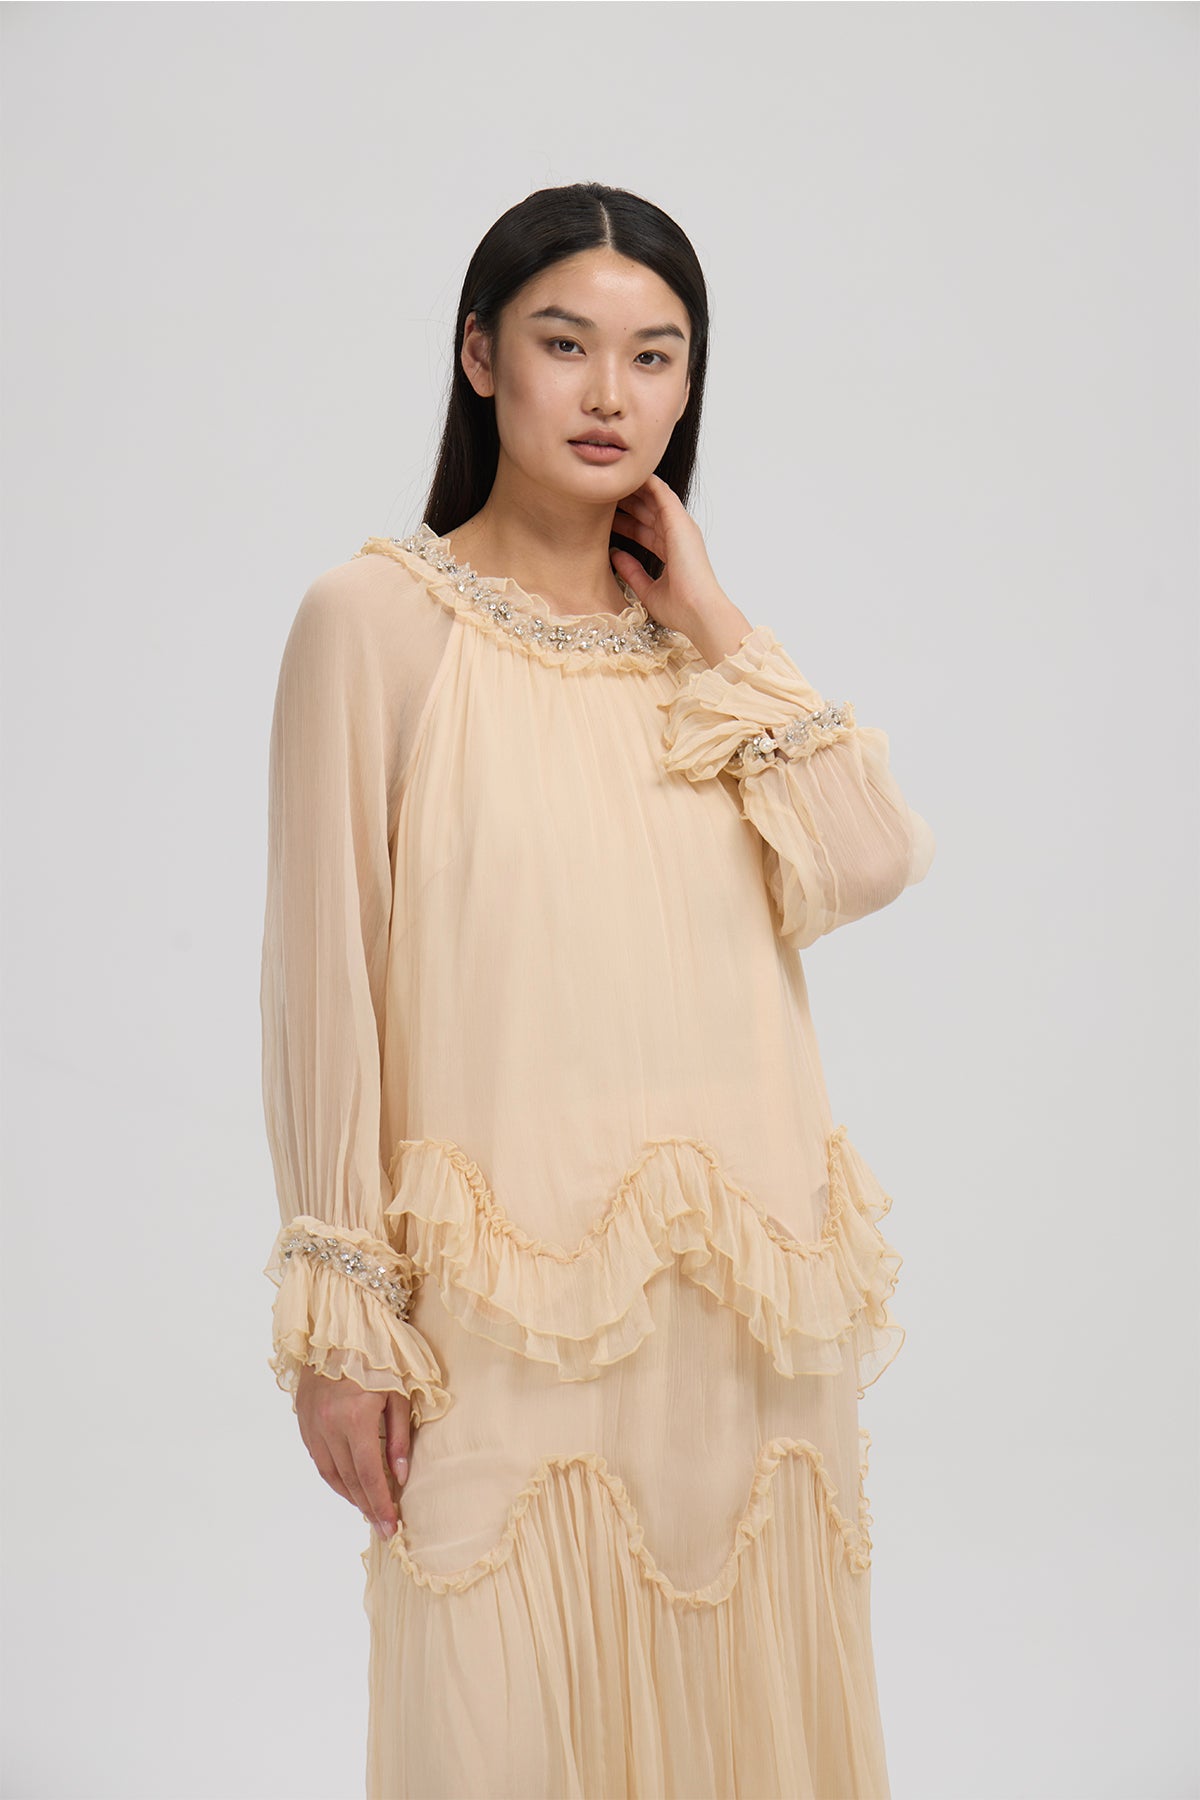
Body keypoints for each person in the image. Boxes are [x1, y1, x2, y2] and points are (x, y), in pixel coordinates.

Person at [259, 180, 935, 1800]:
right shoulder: (374, 623)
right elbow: (324, 979)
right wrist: (343, 1325)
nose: (611, 394)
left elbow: (866, 859)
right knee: (494, 1725)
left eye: (655, 355)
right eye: (566, 345)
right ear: (480, 357)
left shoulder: (703, 663)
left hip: (740, 1333)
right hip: (495, 1327)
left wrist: (707, 611)